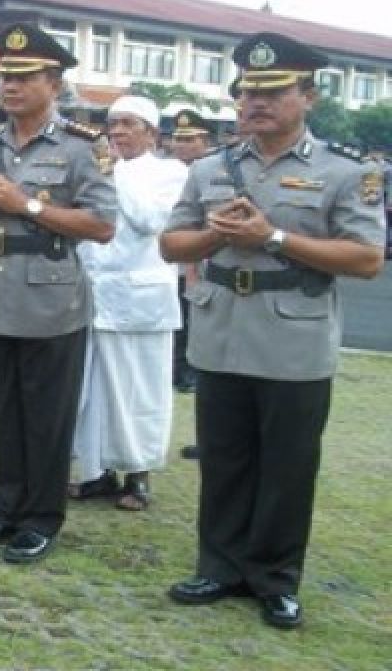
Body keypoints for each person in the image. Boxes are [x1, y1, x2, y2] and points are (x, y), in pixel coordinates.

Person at [161, 32, 385, 630]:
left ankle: (274, 579)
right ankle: (219, 565)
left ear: (308, 96)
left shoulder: (344, 171)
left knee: (286, 469)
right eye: (248, 92)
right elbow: (170, 244)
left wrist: (275, 239)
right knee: (225, 460)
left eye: (273, 91)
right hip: (221, 331)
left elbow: (366, 259)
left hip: (295, 339)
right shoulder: (211, 166)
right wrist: (215, 236)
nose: (256, 102)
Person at [0, 23, 117, 563]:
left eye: (25, 77)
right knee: (3, 409)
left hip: (52, 295)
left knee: (46, 413)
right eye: (6, 77)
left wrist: (26, 205)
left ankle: (40, 518)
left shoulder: (83, 148)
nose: (11, 86)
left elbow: (102, 225)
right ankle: (3, 510)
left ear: (55, 83)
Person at [68, 95, 188, 511]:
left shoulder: (170, 172)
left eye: (128, 124)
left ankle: (138, 476)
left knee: (138, 391)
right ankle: (96, 472)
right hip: (92, 293)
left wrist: (112, 172)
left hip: (140, 298)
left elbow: (150, 221)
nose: (117, 132)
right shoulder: (97, 165)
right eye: (112, 124)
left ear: (152, 132)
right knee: (90, 389)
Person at [169, 109, 212, 396]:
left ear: (204, 141)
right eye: (178, 139)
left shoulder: (215, 170)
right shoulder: (163, 171)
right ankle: (178, 370)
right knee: (178, 319)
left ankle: (189, 370)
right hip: (169, 257)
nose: (182, 145)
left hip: (201, 256)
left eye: (190, 139)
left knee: (194, 317)